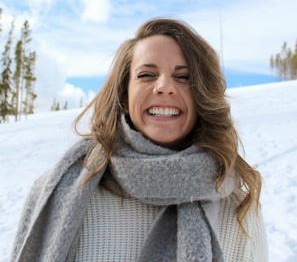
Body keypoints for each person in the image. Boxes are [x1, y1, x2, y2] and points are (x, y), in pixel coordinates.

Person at [11, 17, 267, 262]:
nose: (164, 86)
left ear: (202, 96)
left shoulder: (240, 212)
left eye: (183, 77)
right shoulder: (57, 192)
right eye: (146, 75)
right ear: (124, 93)